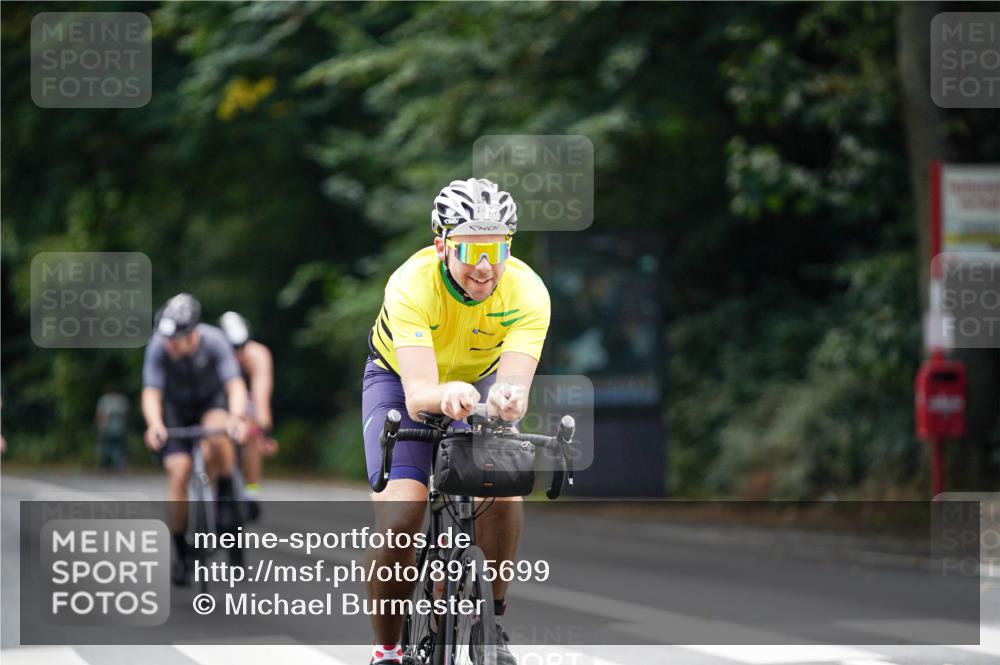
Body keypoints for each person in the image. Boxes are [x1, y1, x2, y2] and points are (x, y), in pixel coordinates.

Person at [362, 178, 550, 665]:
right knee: (403, 518)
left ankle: (493, 616)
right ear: (442, 243)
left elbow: (512, 390)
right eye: (471, 248)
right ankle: (387, 650)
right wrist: (447, 394)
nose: (486, 266)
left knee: (504, 486)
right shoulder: (411, 284)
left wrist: (508, 402)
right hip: (400, 381)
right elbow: (421, 395)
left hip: (475, 382)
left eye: (499, 248)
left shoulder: (528, 292)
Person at [141, 293, 248, 585]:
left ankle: (227, 493)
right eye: (166, 339)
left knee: (218, 432)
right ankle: (181, 555)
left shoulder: (214, 342)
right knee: (178, 471)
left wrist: (236, 417)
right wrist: (154, 424)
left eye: (176, 339)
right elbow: (151, 392)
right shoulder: (158, 348)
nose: (169, 345)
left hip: (210, 404)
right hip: (176, 410)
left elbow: (235, 384)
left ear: (192, 335)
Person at [219, 310, 277, 520]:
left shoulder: (258, 355)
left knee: (252, 431)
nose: (238, 354)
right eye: (233, 349)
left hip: (247, 399)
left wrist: (265, 433)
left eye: (241, 347)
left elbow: (261, 397)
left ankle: (251, 490)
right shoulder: (215, 353)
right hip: (221, 398)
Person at [95, 388, 129, 470]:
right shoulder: (121, 400)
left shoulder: (104, 400)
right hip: (118, 429)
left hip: (107, 429)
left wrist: (99, 426)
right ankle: (115, 466)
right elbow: (126, 416)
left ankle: (107, 466)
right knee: (117, 449)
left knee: (107, 448)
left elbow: (100, 414)